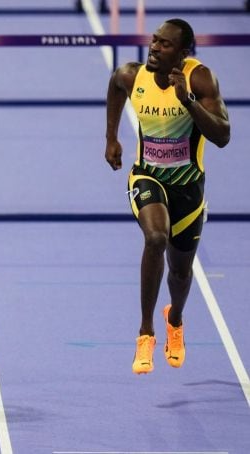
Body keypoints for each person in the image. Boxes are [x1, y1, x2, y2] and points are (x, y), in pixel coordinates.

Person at [104, 18, 230, 374]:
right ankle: (146, 333)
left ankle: (174, 318)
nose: (154, 47)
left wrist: (188, 102)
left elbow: (222, 136)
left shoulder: (200, 79)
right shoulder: (133, 75)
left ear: (183, 53)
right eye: (154, 40)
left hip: (189, 188)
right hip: (147, 176)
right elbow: (115, 85)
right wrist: (111, 137)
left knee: (180, 272)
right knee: (156, 237)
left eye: (164, 44)